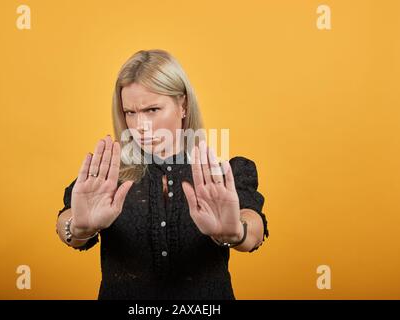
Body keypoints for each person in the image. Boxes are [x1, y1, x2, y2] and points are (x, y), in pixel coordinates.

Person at [55, 49, 269, 300]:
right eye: (130, 113)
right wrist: (79, 229)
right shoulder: (107, 174)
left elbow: (253, 228)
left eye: (153, 109)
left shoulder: (223, 173)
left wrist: (236, 233)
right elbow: (67, 219)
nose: (139, 126)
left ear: (183, 106)